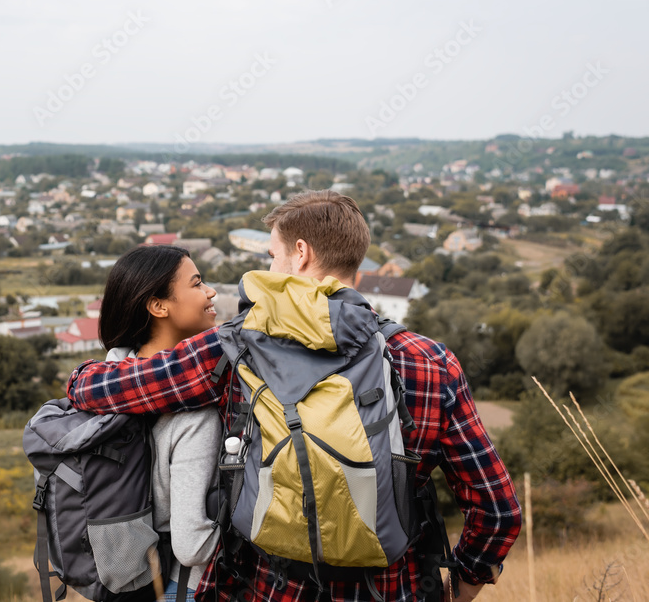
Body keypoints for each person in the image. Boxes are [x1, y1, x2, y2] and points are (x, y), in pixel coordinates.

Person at [69, 190, 522, 602]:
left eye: (272, 255)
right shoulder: (429, 362)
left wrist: (80, 376)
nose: (268, 268)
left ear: (300, 254)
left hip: (268, 590)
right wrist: (455, 590)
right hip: (392, 589)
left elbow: (105, 389)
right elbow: (497, 510)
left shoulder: (231, 347)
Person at [98, 245, 223, 602]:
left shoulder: (112, 378)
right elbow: (192, 545)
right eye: (197, 284)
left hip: (124, 577)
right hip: (180, 587)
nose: (210, 291)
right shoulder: (193, 410)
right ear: (158, 306)